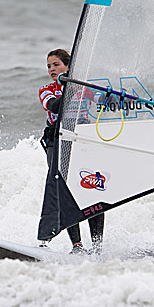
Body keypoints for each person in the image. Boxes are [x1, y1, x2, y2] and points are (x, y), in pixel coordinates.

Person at [37, 48, 104, 254]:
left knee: (92, 188)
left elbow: (103, 101)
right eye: (49, 66)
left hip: (83, 141)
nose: (51, 69)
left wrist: (121, 100)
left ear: (67, 66)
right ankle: (77, 246)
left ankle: (98, 246)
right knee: (65, 192)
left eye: (56, 65)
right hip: (58, 142)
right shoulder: (46, 89)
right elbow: (55, 106)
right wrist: (71, 87)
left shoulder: (83, 87)